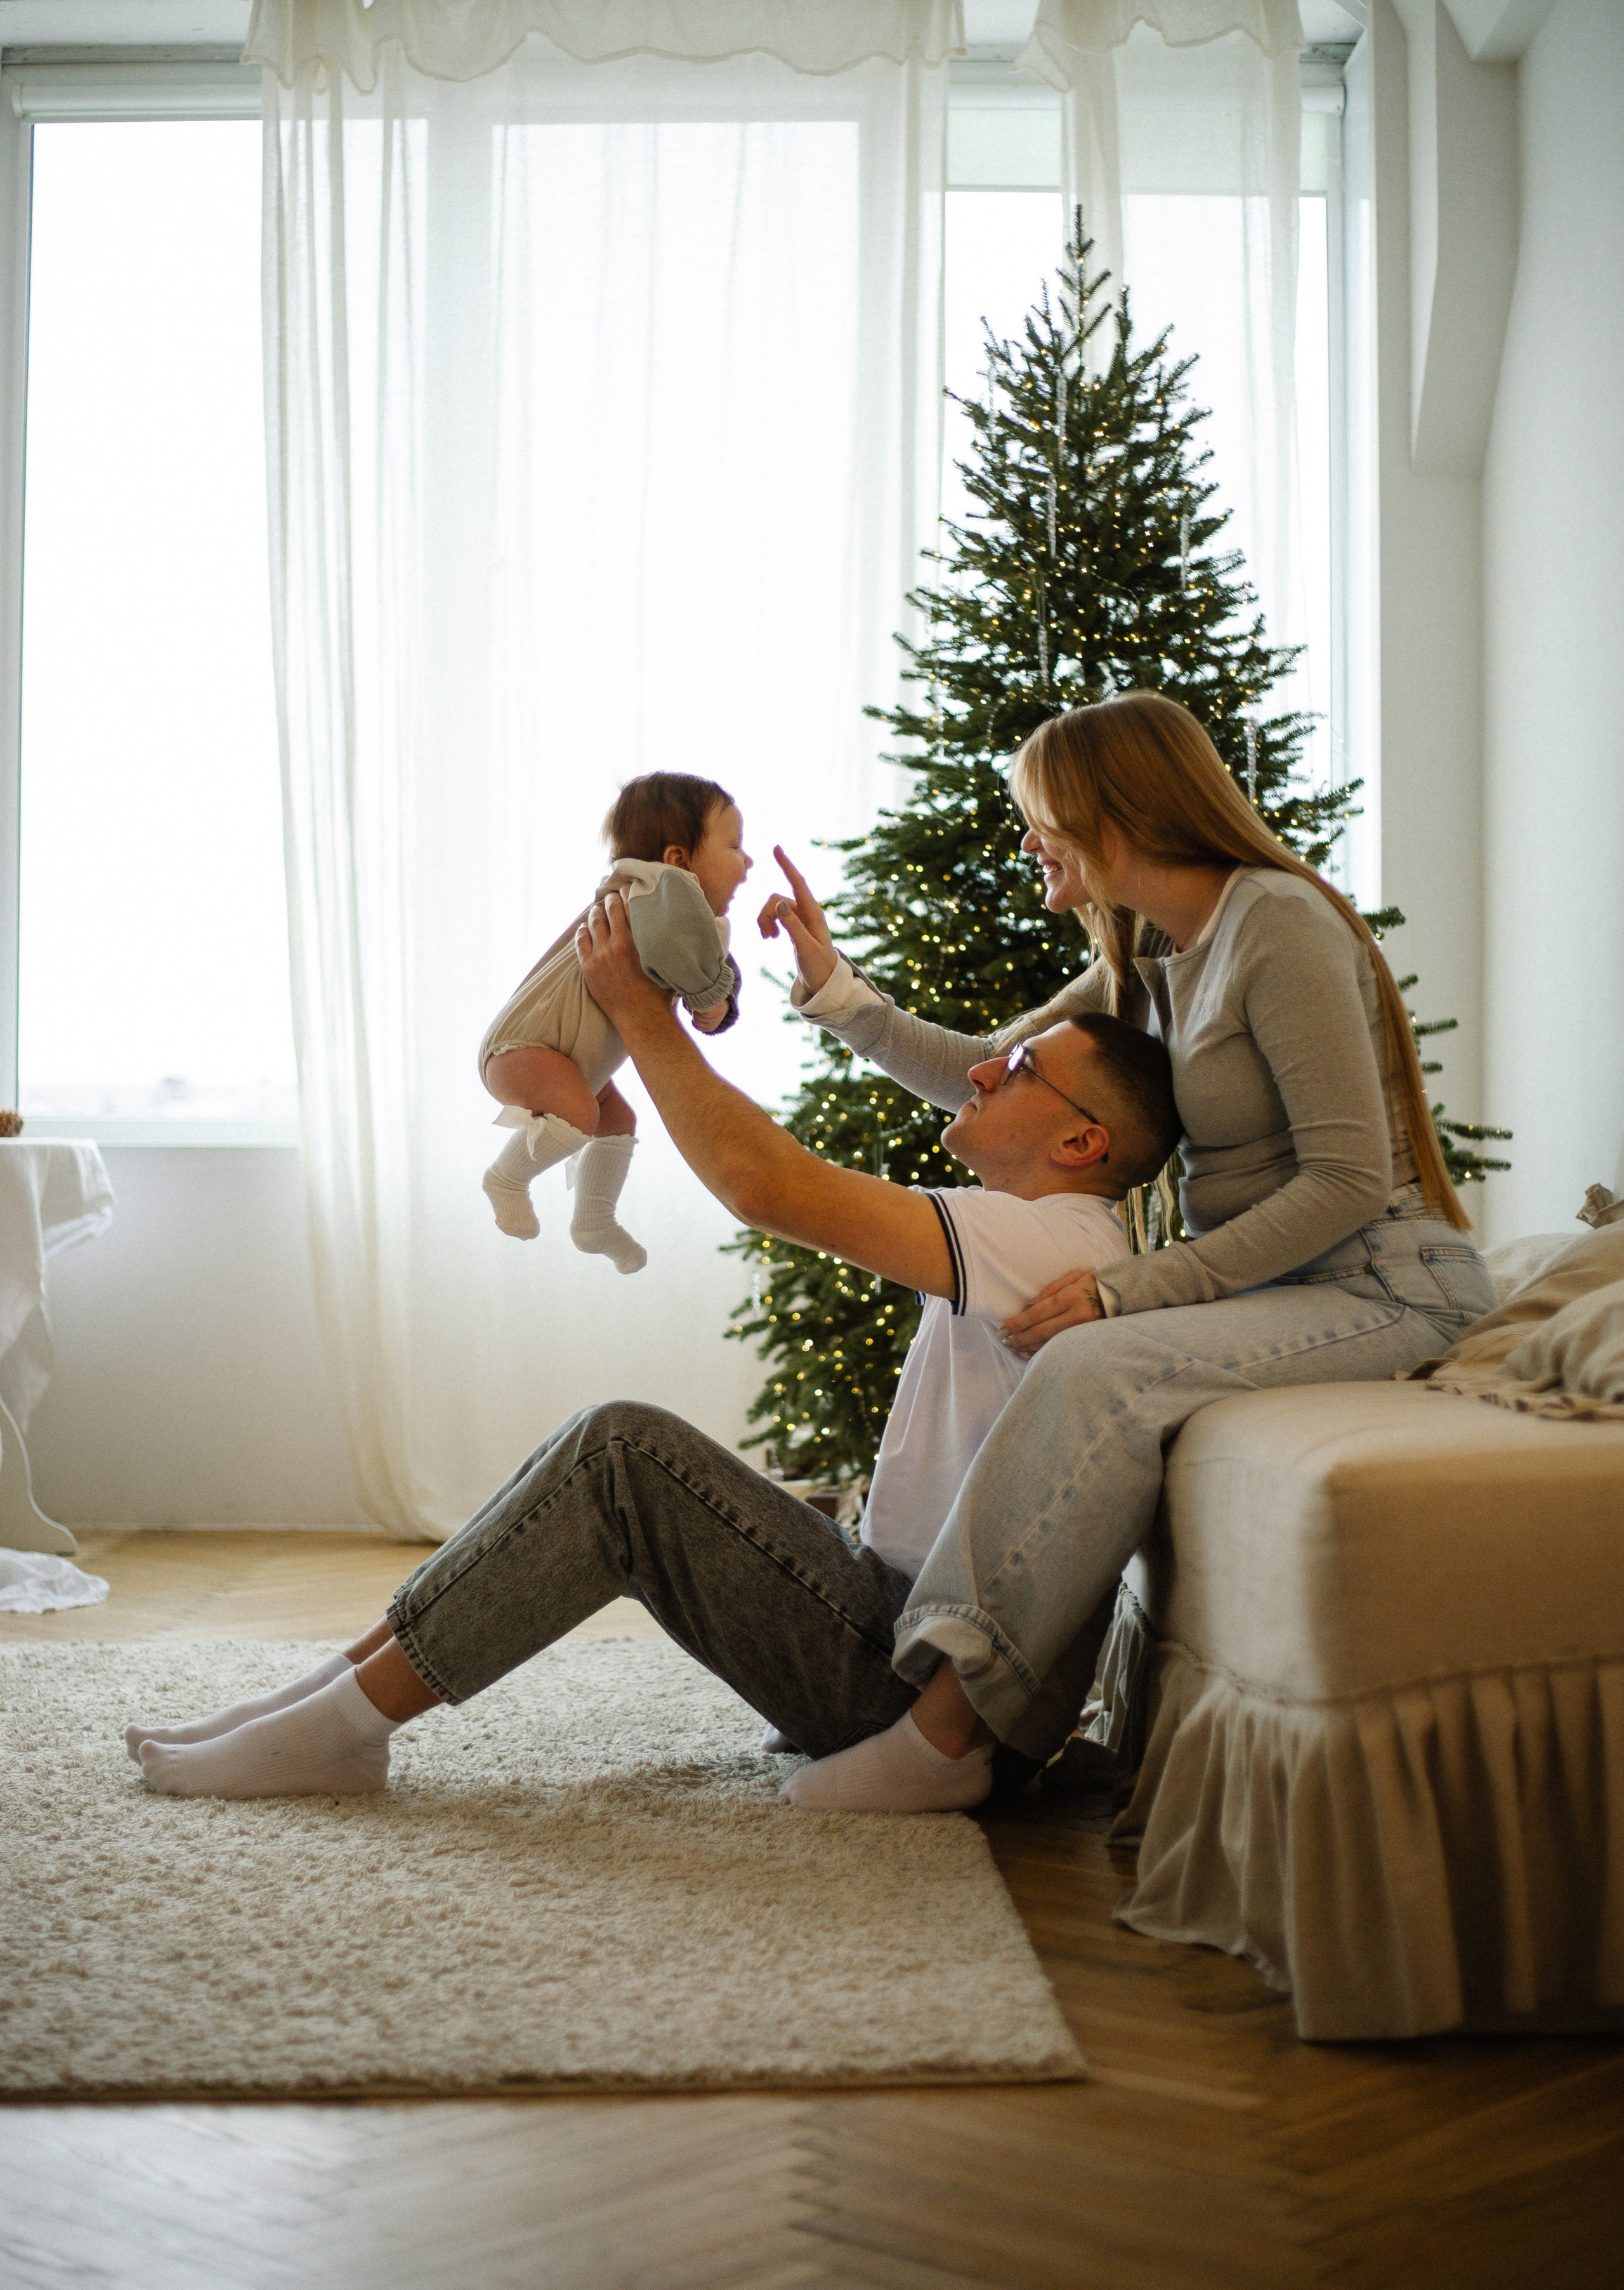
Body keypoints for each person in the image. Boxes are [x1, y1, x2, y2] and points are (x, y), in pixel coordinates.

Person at [124, 910, 1181, 1812]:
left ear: (1084, 1146)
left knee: (623, 1452)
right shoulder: (1043, 1232)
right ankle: (325, 1704)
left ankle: (338, 1728)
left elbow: (764, 1184)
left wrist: (639, 1013)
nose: (989, 1065)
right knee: (606, 1449)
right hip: (887, 1622)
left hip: (895, 1677)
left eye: (1028, 1067)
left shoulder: (1055, 1237)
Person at [765, 689, 1498, 1782]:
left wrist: (1137, 1288)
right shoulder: (1154, 962)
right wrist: (837, 992)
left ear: (1116, 810)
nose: (1027, 842)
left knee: (1098, 1363)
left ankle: (949, 1732)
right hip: (1288, 1289)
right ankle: (925, 1686)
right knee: (1089, 1352)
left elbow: (1347, 1180)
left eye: (1041, 816)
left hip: (1391, 1282)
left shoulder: (1277, 924)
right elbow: (983, 1064)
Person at [478, 771, 750, 1271]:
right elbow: (686, 958)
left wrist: (717, 1003)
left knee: (617, 1120)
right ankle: (507, 1177)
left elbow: (701, 960)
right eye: (734, 847)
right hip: (525, 1051)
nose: (748, 863)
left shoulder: (668, 908)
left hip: (568, 1060)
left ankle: (594, 1222)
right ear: (677, 859)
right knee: (580, 1113)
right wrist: (711, 994)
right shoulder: (652, 892)